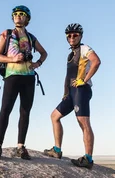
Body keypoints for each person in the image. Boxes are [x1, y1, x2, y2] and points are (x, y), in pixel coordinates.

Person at [0, 5, 48, 160]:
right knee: (6, 109)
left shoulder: (31, 37)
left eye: (22, 14)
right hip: (12, 75)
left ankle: (20, 146)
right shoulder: (7, 34)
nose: (18, 16)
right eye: (16, 14)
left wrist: (38, 63)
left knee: (25, 111)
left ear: (27, 19)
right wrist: (13, 59)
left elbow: (44, 53)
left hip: (29, 77)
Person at [43, 23, 101, 169]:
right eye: (69, 35)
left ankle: (88, 158)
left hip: (82, 90)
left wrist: (84, 80)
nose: (72, 37)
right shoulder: (71, 53)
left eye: (75, 35)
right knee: (54, 116)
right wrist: (65, 92)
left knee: (83, 122)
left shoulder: (84, 48)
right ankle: (57, 150)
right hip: (71, 93)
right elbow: (68, 75)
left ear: (80, 36)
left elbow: (96, 61)